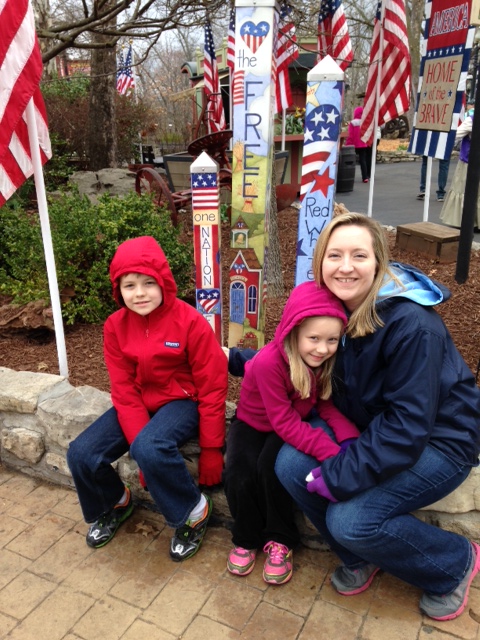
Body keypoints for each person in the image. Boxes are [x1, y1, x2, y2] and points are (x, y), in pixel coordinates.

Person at [272, 212, 480, 621]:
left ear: (378, 261)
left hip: (440, 441)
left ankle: (454, 562)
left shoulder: (412, 325)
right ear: (319, 261)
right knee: (290, 464)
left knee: (350, 519)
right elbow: (286, 355)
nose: (345, 267)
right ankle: (360, 557)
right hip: (372, 426)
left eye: (359, 255)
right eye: (334, 255)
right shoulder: (329, 309)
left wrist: (340, 474)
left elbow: (407, 427)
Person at [67, 236, 228, 562]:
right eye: (129, 285)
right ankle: (115, 501)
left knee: (151, 447)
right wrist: (143, 454)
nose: (139, 293)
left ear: (163, 282)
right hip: (140, 400)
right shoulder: (115, 326)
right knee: (81, 453)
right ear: (118, 290)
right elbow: (124, 390)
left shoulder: (190, 322)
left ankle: (194, 511)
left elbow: (213, 386)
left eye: (148, 283)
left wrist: (212, 449)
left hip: (183, 401)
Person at [225, 282, 360, 585]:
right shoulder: (267, 363)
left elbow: (324, 403)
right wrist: (329, 451)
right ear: (293, 332)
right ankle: (246, 537)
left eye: (332, 340)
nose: (322, 348)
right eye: (314, 338)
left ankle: (281, 539)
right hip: (255, 422)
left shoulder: (322, 361)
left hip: (289, 421)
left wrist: (348, 438)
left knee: (272, 471)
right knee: (239, 472)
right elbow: (283, 421)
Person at [440, 106, 479, 228]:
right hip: (471, 161)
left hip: (469, 163)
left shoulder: (472, 120)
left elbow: (455, 135)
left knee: (463, 189)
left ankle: (465, 221)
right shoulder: (471, 120)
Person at [345, 106, 372, 183]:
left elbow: (351, 134)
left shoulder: (353, 123)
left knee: (351, 161)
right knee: (363, 160)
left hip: (354, 144)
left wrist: (348, 143)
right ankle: (365, 177)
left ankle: (349, 176)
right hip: (363, 144)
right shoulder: (364, 122)